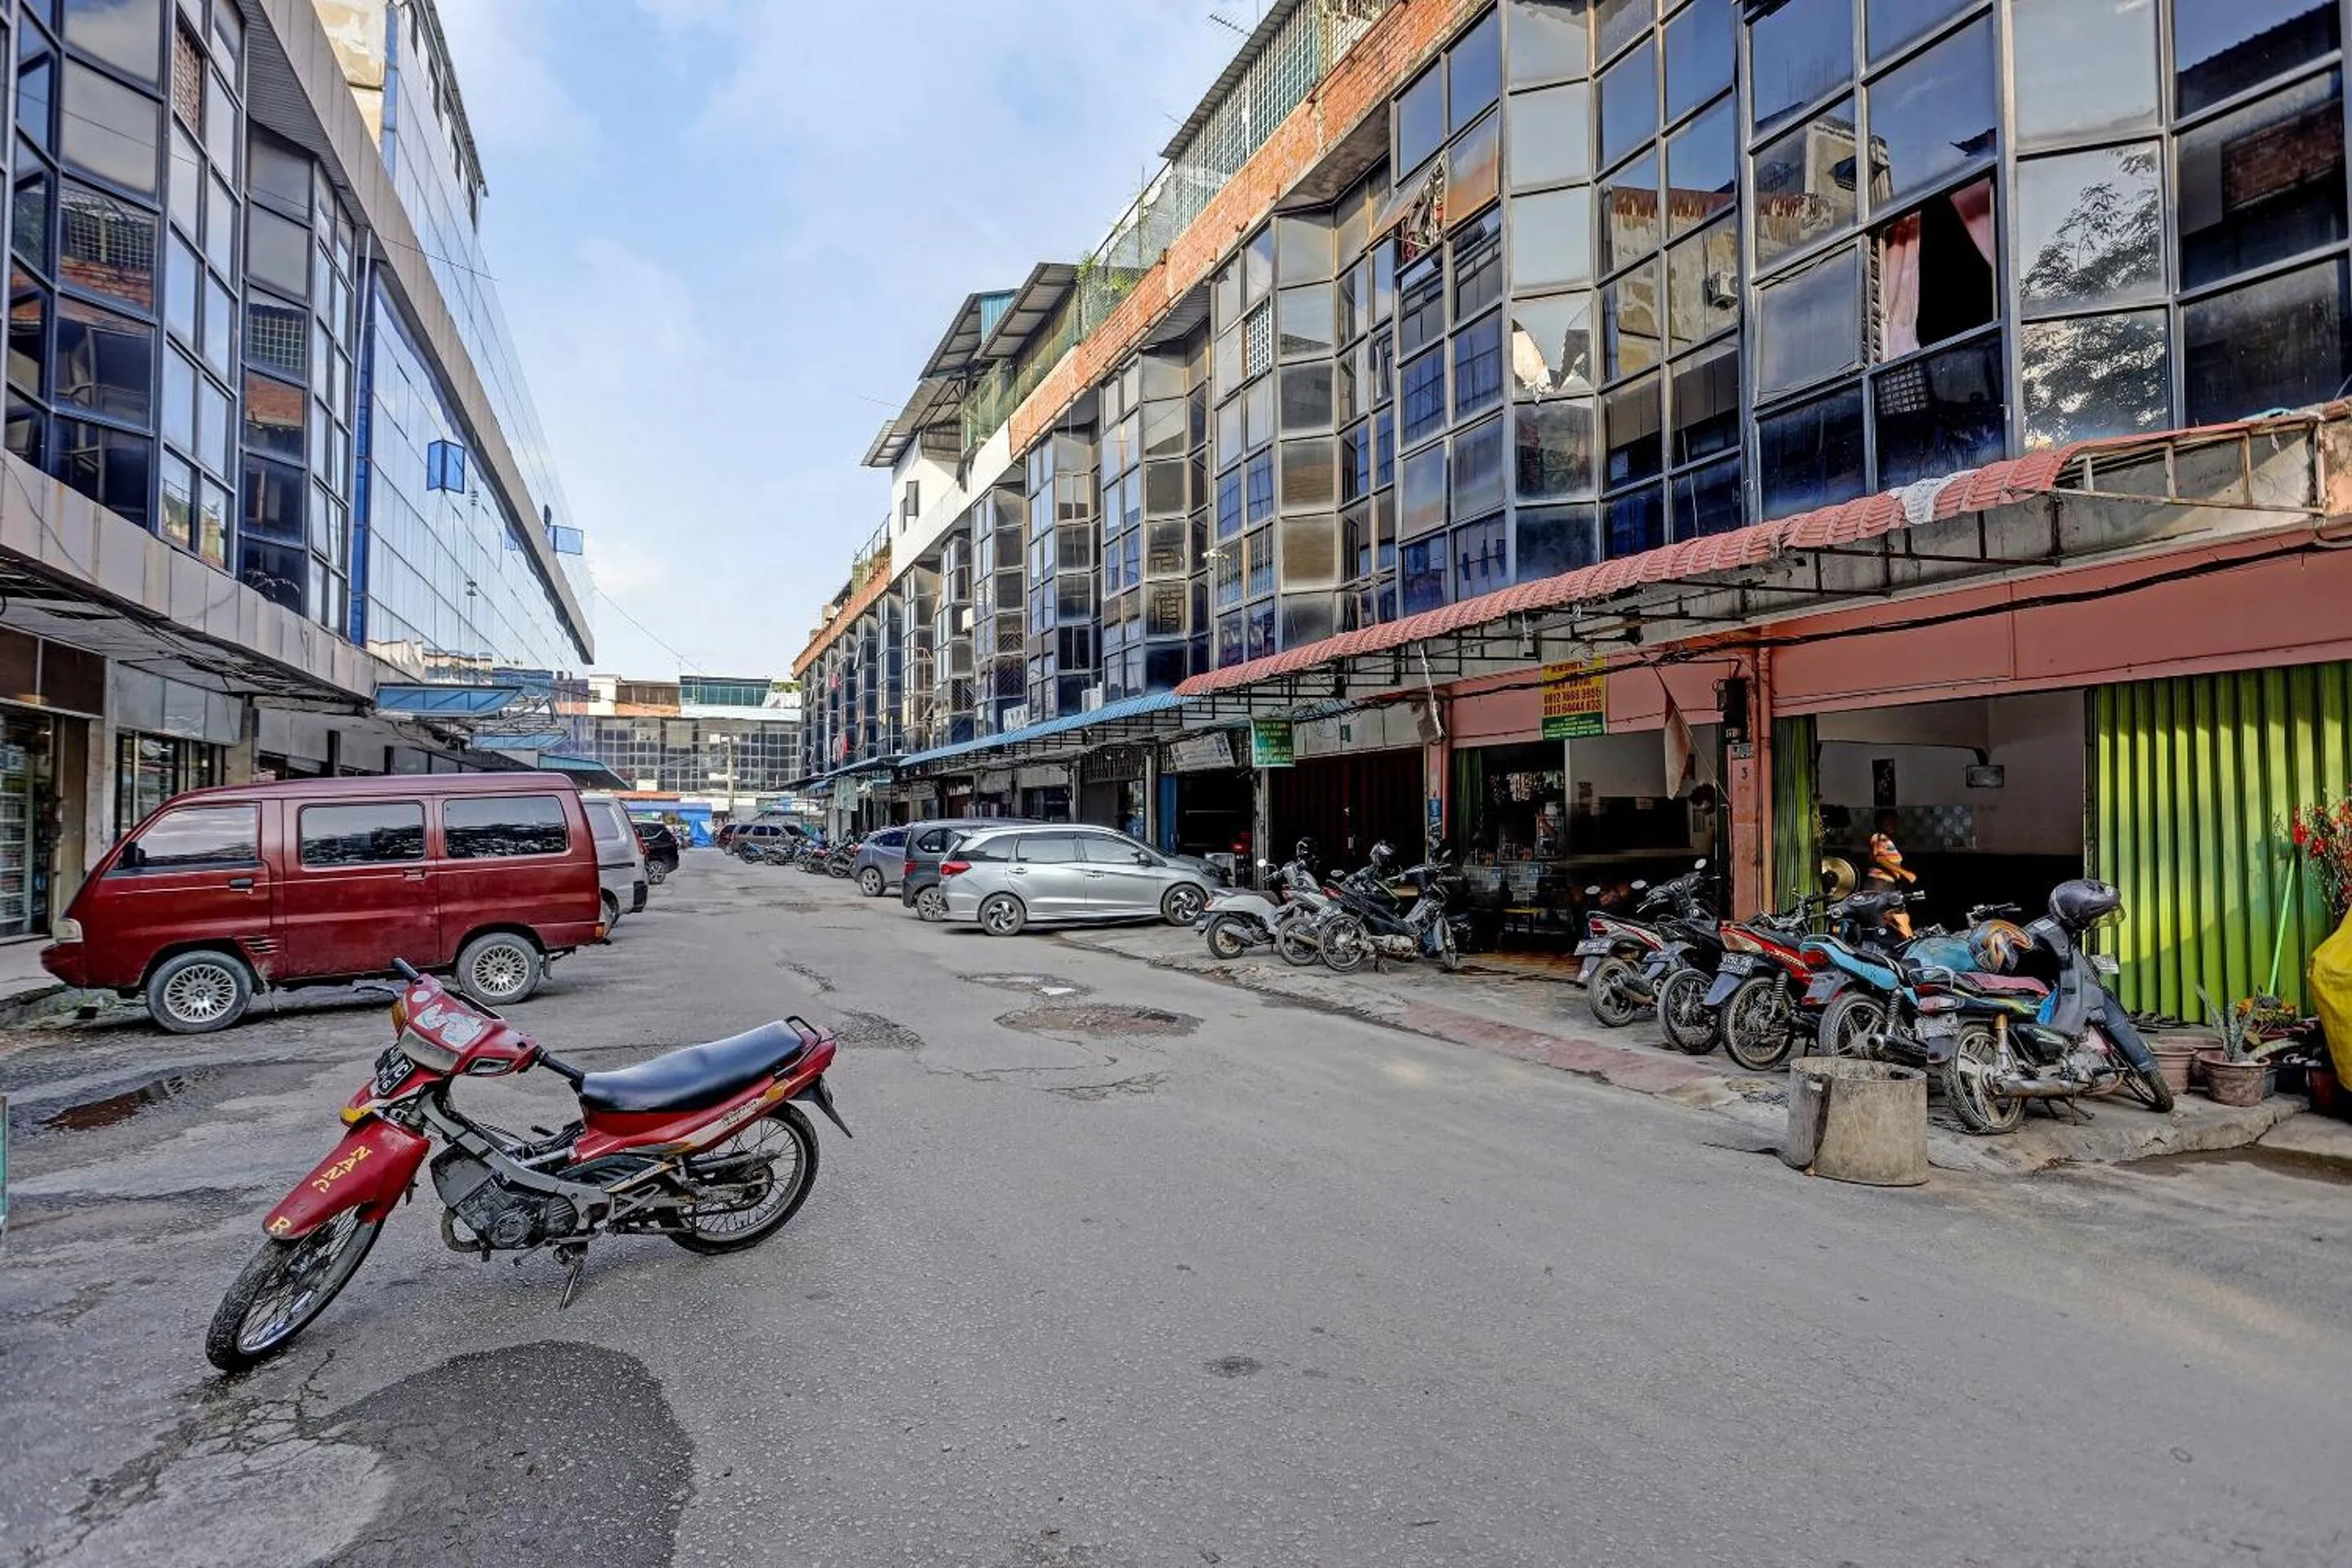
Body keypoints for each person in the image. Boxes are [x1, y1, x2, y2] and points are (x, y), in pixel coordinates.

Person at [1866, 809, 1918, 939]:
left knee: (1895, 918)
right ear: (1880, 823)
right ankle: (1908, 944)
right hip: (1880, 884)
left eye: (1894, 822)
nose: (1893, 825)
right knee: (1899, 918)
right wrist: (1905, 873)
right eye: (1889, 822)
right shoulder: (1879, 837)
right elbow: (1880, 858)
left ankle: (1904, 942)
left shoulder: (1888, 841)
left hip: (1887, 885)